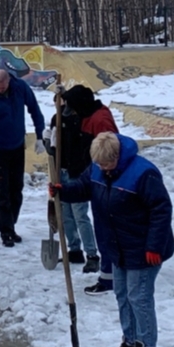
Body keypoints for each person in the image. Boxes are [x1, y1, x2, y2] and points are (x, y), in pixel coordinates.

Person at [53, 132, 174, 347]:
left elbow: (161, 210)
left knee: (139, 298)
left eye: (106, 164)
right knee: (122, 294)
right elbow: (85, 186)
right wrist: (63, 190)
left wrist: (153, 246)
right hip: (117, 245)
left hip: (143, 247)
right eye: (98, 164)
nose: (102, 168)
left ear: (117, 157)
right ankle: (130, 343)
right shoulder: (99, 168)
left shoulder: (143, 173)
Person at [54, 85, 121, 293]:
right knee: (69, 213)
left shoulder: (100, 119)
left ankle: (98, 261)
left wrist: (101, 173)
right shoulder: (83, 115)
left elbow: (111, 150)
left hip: (95, 176)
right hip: (80, 172)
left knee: (88, 218)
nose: (70, 110)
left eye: (72, 106)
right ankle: (80, 254)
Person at [0, 68, 46, 247]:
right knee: (2, 191)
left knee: (16, 189)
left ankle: (11, 225)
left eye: (2, 86)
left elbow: (34, 110)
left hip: (17, 146)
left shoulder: (20, 87)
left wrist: (40, 136)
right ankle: (6, 231)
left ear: (8, 82)